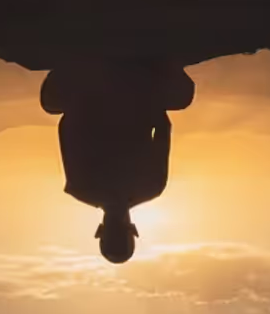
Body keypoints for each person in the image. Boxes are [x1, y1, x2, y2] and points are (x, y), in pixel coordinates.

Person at [41, 61, 195, 264]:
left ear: (132, 229)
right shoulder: (80, 189)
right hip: (91, 90)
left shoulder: (151, 188)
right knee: (50, 104)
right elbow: (66, 129)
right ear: (100, 230)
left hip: (137, 88)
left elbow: (163, 129)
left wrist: (145, 101)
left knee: (182, 98)